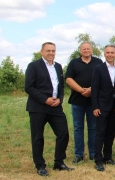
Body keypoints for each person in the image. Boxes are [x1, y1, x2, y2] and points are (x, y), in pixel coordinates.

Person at [25, 42, 74, 176]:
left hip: (55, 107)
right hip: (38, 107)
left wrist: (59, 99)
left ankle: (59, 162)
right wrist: (44, 99)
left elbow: (61, 87)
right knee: (37, 137)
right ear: (42, 52)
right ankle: (40, 166)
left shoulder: (58, 67)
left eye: (53, 51)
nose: (51, 53)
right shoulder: (33, 66)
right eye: (48, 51)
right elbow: (28, 87)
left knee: (63, 133)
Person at [66, 41, 103, 163]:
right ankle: (79, 154)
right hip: (77, 101)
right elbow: (68, 79)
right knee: (78, 128)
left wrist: (92, 90)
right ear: (80, 50)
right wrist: (82, 90)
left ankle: (93, 153)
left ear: (92, 50)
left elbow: (103, 79)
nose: (86, 50)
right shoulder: (73, 63)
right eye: (84, 49)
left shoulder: (98, 62)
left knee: (93, 128)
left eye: (88, 48)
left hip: (94, 102)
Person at [91, 45, 115, 171]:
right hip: (102, 106)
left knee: (111, 133)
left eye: (112, 52)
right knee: (100, 133)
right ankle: (98, 159)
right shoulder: (98, 68)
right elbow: (94, 88)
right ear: (104, 54)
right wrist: (95, 106)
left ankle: (108, 157)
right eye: (108, 53)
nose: (110, 55)